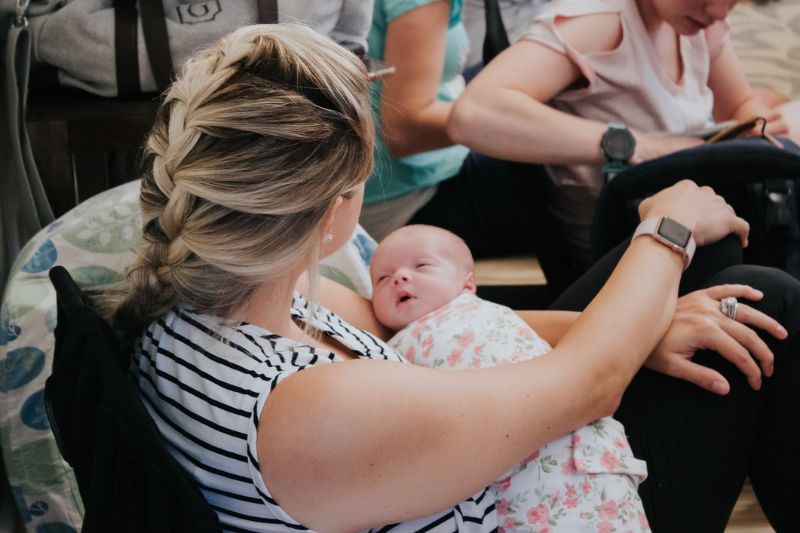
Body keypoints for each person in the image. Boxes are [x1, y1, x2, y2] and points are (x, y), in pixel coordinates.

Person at [102, 23, 799, 532]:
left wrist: (642, 326)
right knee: (763, 299)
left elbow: (413, 321)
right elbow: (588, 383)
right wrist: (666, 228)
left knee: (729, 300)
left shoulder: (224, 288)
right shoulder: (303, 416)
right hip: (521, 508)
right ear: (329, 215)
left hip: (490, 468)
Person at [447, 0, 798, 275]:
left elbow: (739, 105)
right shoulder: (599, 20)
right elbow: (474, 114)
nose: (719, 11)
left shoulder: (702, 21)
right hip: (628, 253)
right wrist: (636, 146)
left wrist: (756, 124)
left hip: (695, 217)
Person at [371, 224, 650, 532]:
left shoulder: (493, 315)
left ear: (467, 284)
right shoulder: (389, 352)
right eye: (382, 279)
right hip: (515, 487)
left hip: (580, 451)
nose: (399, 277)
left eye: (421, 266)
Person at [360, 0, 565, 287]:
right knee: (563, 139)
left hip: (380, 178)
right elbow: (406, 130)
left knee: (527, 77)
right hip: (405, 196)